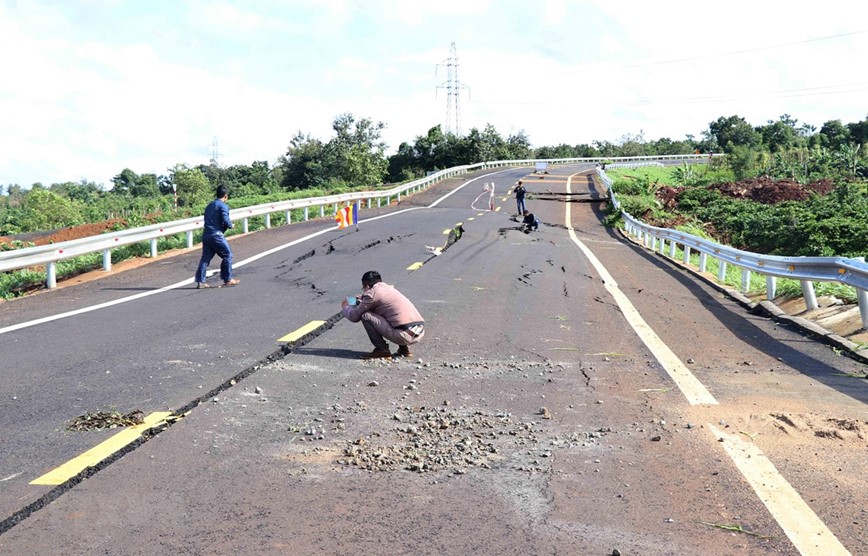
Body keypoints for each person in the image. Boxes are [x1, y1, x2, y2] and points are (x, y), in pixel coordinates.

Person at [341, 270, 425, 359]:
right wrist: (362, 299)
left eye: (364, 288)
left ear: (367, 286)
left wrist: (345, 306)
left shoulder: (372, 294)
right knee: (391, 314)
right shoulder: (389, 289)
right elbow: (371, 301)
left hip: (404, 335)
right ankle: (404, 349)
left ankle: (382, 350)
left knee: (366, 316)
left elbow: (354, 317)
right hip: (419, 331)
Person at [194, 185, 240, 288]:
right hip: (216, 235)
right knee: (228, 255)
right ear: (226, 196)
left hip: (206, 235)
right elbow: (225, 219)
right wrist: (231, 225)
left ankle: (201, 281)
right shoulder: (223, 206)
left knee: (205, 258)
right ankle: (227, 279)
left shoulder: (209, 205)